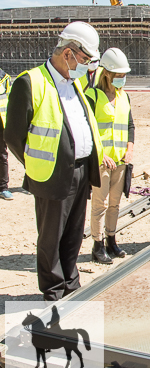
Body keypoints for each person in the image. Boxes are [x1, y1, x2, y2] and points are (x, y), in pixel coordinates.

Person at [4, 21, 104, 302]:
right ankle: (54, 289)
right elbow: (13, 136)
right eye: (84, 60)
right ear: (68, 53)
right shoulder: (30, 81)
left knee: (73, 232)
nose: (86, 66)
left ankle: (71, 283)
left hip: (81, 171)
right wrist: (37, 164)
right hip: (51, 173)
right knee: (51, 236)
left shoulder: (75, 83)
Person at [85, 48, 134, 264]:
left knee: (115, 203)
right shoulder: (92, 96)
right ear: (107, 73)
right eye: (119, 76)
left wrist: (130, 148)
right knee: (100, 205)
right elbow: (86, 129)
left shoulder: (125, 97)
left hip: (121, 162)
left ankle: (111, 241)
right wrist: (101, 154)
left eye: (124, 75)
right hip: (101, 162)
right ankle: (97, 245)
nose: (122, 79)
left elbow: (130, 126)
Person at [0, 68, 12, 200]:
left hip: (1, 122)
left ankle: (3, 187)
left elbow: (10, 99)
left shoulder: (4, 78)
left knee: (2, 155)